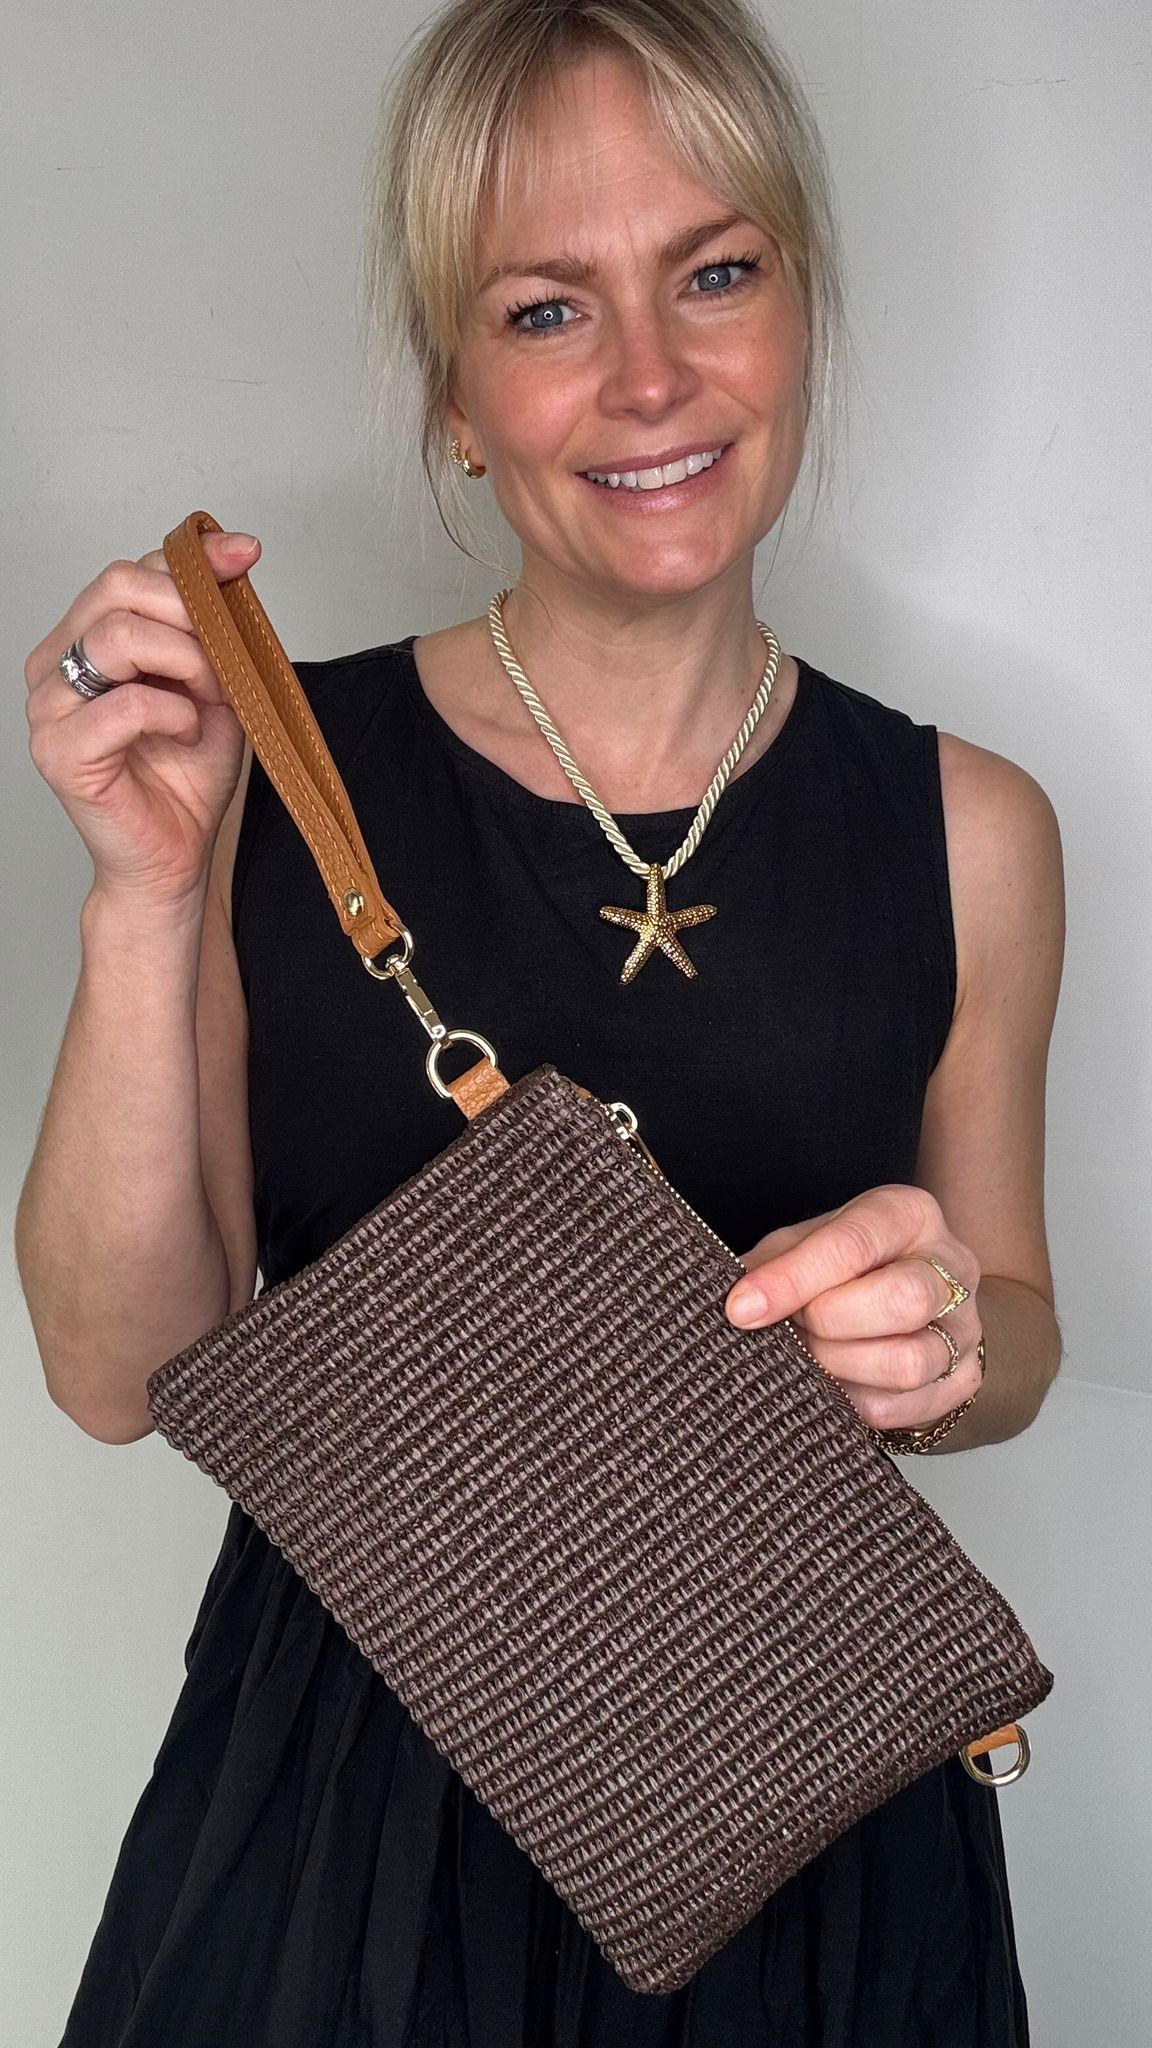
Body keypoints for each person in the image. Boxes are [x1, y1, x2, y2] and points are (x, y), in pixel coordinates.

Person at [18, 1, 1065, 2041]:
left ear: (804, 310)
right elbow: (116, 1374)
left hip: (809, 1802)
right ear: (455, 399)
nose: (652, 376)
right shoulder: (266, 775)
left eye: (717, 272)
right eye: (546, 308)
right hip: (341, 1822)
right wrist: (146, 894)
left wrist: (944, 1338)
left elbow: (1016, 1323)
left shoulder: (973, 829)